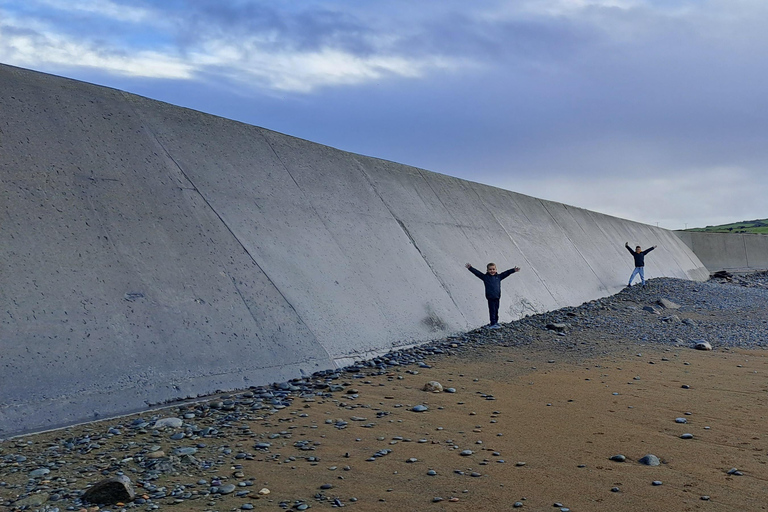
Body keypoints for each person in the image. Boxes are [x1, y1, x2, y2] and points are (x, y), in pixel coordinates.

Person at [465, 262, 520, 329]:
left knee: (496, 310)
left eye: (493, 269)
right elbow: (477, 273)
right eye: (490, 269)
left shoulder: (499, 277)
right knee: (492, 310)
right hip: (490, 297)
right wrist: (470, 268)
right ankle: (493, 323)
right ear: (487, 270)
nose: (492, 271)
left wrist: (513, 270)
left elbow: (506, 273)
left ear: (496, 270)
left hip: (497, 297)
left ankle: (496, 322)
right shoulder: (485, 277)